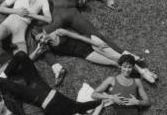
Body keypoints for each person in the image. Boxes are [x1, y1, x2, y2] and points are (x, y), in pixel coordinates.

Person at [30, 28, 158, 84]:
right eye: (39, 40)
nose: (42, 40)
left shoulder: (58, 32)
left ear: (44, 31)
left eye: (41, 36)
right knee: (115, 63)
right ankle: (143, 71)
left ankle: (143, 72)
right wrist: (38, 47)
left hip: (90, 43)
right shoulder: (45, 46)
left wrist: (96, 42)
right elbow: (31, 58)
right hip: (85, 54)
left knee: (118, 57)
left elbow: (78, 36)